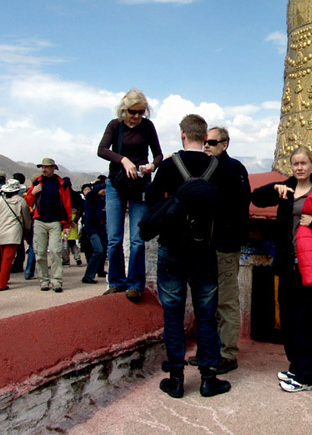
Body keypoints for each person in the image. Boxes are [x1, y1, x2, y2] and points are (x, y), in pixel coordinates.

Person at [146, 114, 231, 399]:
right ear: (205, 136)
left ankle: (176, 378)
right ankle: (209, 378)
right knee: (207, 315)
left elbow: (152, 202)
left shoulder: (170, 165)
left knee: (172, 314)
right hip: (204, 250)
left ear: (183, 135)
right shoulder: (216, 166)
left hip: (172, 249)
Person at [250, 146, 312, 392]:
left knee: (305, 320)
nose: (299, 168)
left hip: (310, 269)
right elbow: (256, 199)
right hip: (287, 264)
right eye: (295, 164)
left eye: (304, 163)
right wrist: (273, 189)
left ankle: (307, 376)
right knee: (289, 318)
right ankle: (296, 366)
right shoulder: (286, 189)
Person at [188, 126, 250, 374]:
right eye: (204, 142)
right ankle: (208, 350)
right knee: (206, 302)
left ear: (224, 144)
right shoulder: (202, 168)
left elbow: (241, 203)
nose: (206, 146)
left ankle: (228, 354)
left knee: (225, 301)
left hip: (225, 244)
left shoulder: (234, 169)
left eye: (212, 142)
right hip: (204, 246)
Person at [97, 88, 163, 302]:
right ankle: (116, 282)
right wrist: (123, 159)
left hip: (140, 184)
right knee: (114, 238)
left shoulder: (147, 127)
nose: (136, 117)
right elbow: (102, 149)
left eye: (141, 112)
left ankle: (135, 284)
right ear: (124, 111)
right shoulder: (114, 125)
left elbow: (158, 154)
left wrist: (152, 165)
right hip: (116, 183)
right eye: (133, 112)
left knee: (137, 239)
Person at [25, 158, 72, 292]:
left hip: (56, 221)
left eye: (47, 167)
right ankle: (44, 280)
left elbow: (67, 204)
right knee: (39, 253)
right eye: (42, 167)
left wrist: (67, 224)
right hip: (40, 221)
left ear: (53, 168)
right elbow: (28, 202)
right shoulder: (37, 182)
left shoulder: (61, 184)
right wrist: (33, 193)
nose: (44, 169)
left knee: (56, 251)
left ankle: (56, 281)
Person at [0, 179, 31, 291]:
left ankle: (5, 278)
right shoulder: (21, 201)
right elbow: (26, 218)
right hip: (14, 233)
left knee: (3, 258)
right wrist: (27, 228)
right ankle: (2, 283)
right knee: (8, 259)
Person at [81, 181, 107, 284]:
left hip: (100, 229)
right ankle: (88, 275)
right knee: (98, 250)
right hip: (91, 229)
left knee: (103, 250)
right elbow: (95, 190)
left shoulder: (102, 200)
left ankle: (99, 270)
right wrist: (105, 183)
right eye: (102, 189)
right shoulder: (91, 198)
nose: (104, 191)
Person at [61, 177, 83, 266]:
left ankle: (66, 260)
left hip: (65, 219)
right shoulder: (76, 195)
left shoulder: (62, 195)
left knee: (65, 241)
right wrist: (75, 220)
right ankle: (77, 257)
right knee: (73, 241)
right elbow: (80, 209)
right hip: (74, 219)